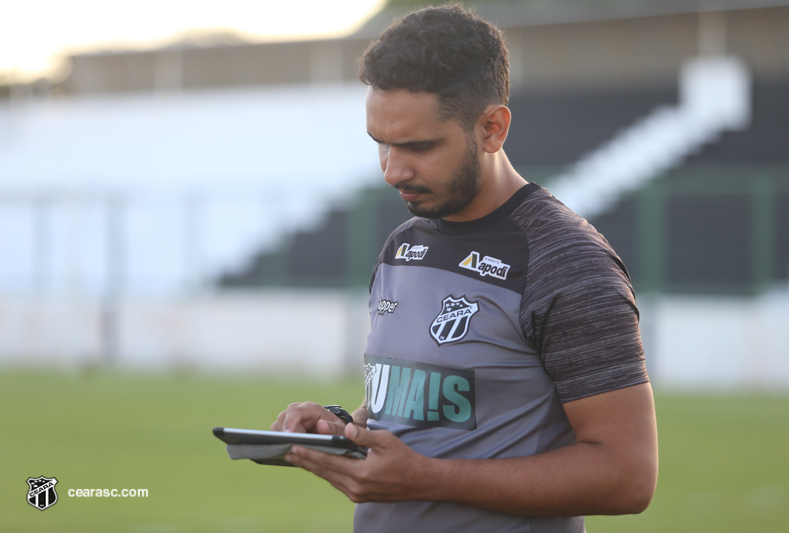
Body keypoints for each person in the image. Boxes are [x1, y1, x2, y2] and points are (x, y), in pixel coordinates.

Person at [271, 5, 658, 532]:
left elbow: (628, 476)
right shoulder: (402, 245)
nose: (392, 170)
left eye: (418, 146)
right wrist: (340, 428)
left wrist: (428, 478)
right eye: (381, 143)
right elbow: (404, 408)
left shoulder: (565, 261)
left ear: (492, 128)